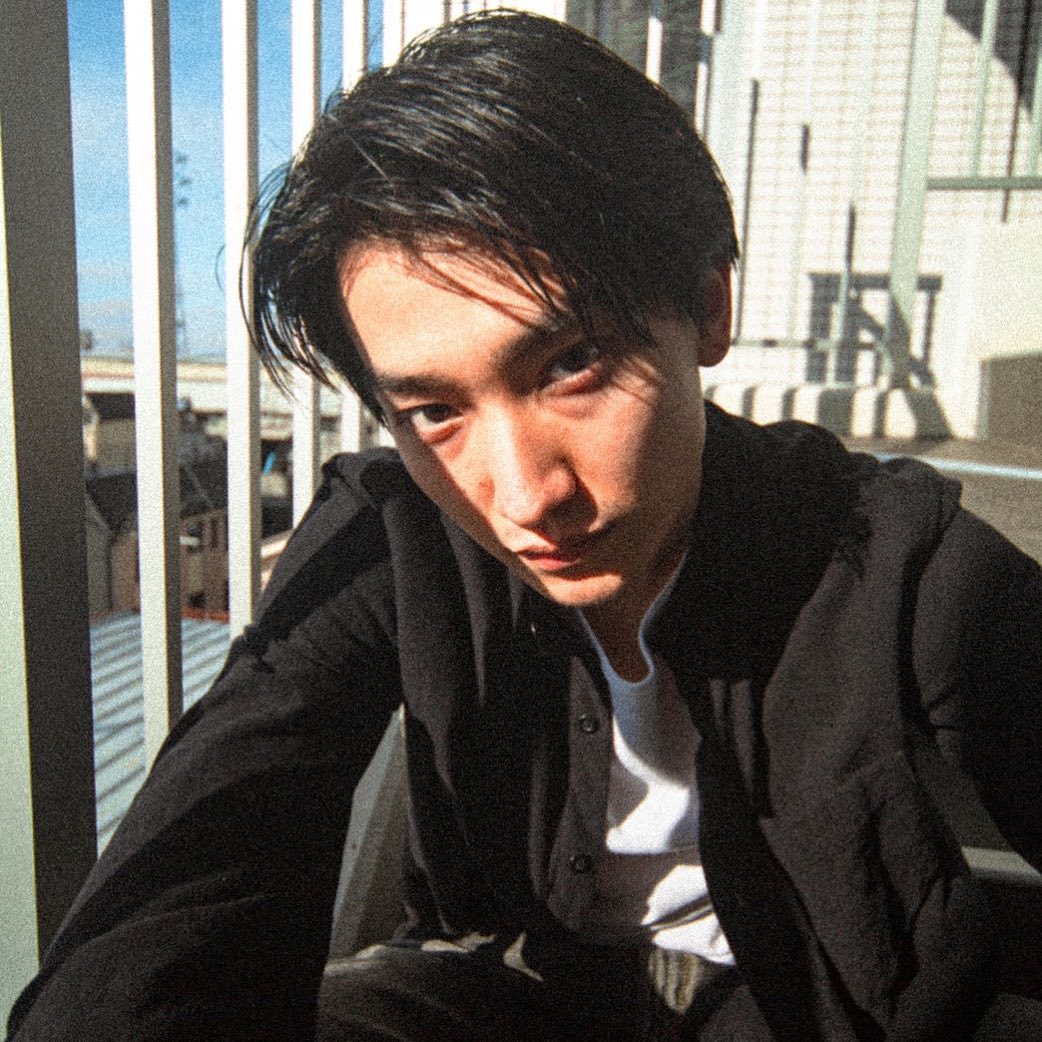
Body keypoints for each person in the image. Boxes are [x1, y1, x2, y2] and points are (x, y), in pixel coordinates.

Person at [7, 10, 1042, 1041]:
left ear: (708, 306)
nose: (521, 494)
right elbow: (210, 835)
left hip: (807, 1002)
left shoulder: (893, 558)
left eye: (571, 364)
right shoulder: (396, 536)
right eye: (434, 411)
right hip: (514, 987)